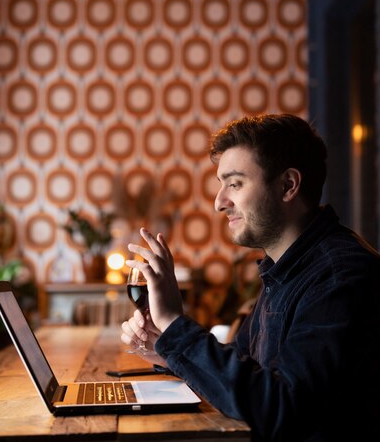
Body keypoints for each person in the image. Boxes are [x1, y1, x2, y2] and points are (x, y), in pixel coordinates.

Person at [121, 113, 380, 442]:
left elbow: (281, 408)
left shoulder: (338, 275)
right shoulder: (287, 266)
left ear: (288, 185)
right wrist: (163, 348)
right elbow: (248, 363)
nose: (219, 202)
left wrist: (174, 323)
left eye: (235, 183)